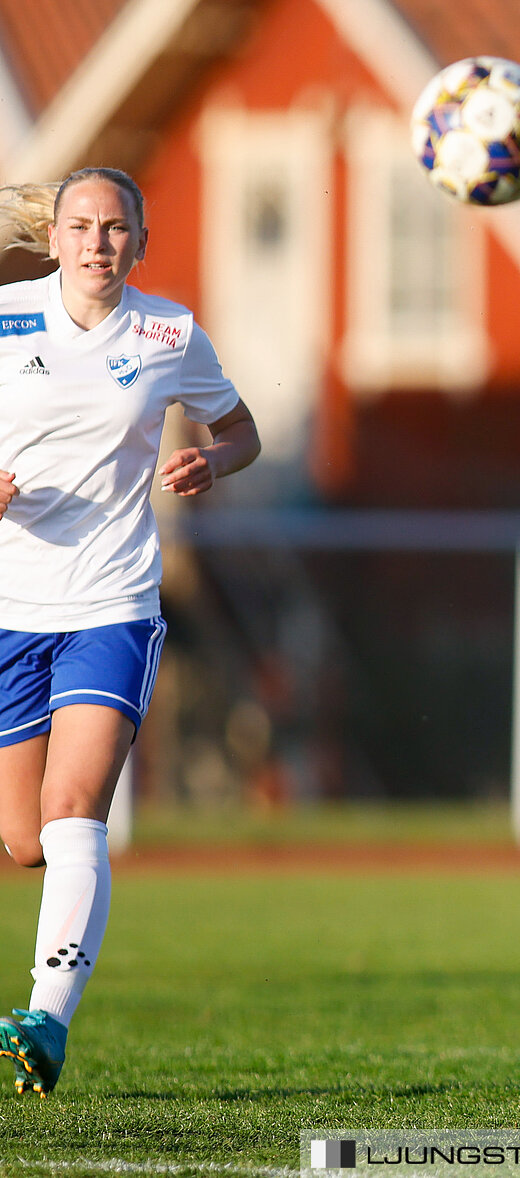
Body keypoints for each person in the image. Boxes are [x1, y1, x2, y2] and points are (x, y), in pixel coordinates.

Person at [0, 168, 261, 1096]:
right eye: (81, 227)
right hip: (10, 612)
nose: (98, 243)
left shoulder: (167, 334)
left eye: (115, 229)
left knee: (75, 812)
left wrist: (212, 460)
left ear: (139, 241)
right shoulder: (5, 319)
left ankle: (47, 1019)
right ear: (56, 237)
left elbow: (243, 430)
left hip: (112, 602)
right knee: (23, 840)